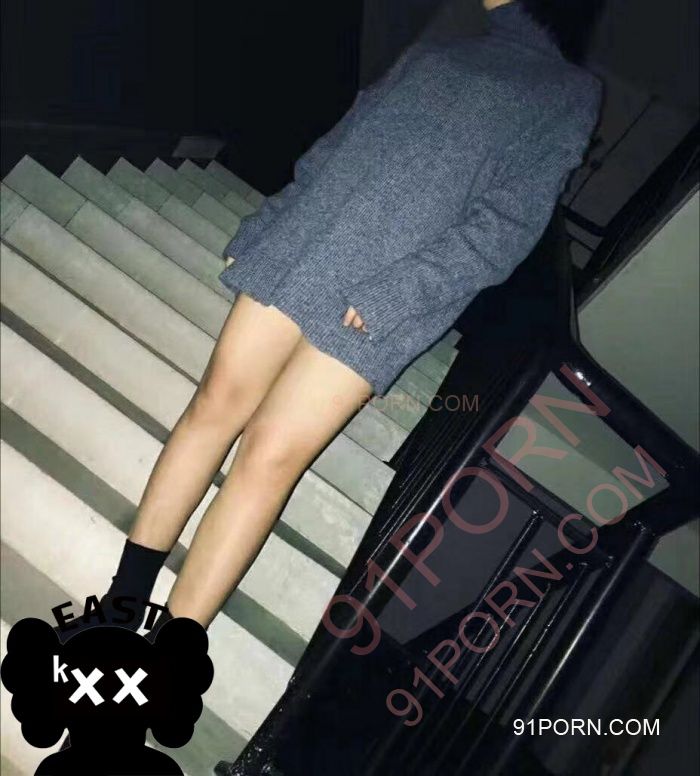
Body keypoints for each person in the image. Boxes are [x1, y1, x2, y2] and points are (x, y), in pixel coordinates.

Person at [66, 0, 605, 643]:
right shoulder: (439, 50)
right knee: (214, 406)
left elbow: (509, 225)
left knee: (269, 457)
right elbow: (340, 144)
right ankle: (123, 607)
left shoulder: (571, 91)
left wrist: (400, 294)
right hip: (304, 245)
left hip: (389, 296)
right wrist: (268, 224)